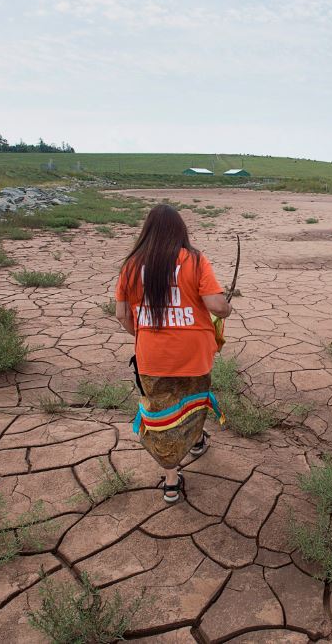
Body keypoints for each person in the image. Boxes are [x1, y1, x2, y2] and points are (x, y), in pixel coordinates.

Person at [115, 204, 232, 503]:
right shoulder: (194, 259)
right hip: (194, 355)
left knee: (161, 415)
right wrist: (227, 307)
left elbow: (121, 315)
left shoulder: (131, 265)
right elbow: (217, 306)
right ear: (180, 230)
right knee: (193, 404)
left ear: (147, 232)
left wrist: (142, 336)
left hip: (153, 358)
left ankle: (171, 480)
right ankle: (195, 440)